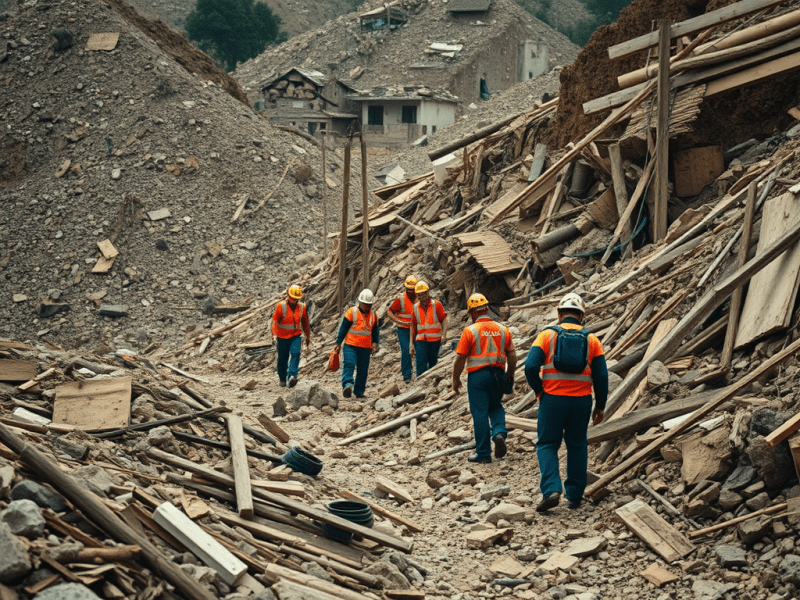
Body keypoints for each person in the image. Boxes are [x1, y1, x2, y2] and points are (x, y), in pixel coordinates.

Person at [525, 292, 608, 512]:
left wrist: (539, 390)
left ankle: (552, 489)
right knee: (577, 445)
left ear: (560, 314)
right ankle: (575, 495)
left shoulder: (546, 336)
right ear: (582, 316)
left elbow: (530, 367)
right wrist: (600, 406)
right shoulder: (592, 340)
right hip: (581, 402)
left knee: (547, 444)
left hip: (552, 400)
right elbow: (601, 377)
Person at [452, 294, 517, 464]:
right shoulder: (503, 329)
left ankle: (483, 453)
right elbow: (512, 354)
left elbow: (460, 359)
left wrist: (455, 379)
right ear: (487, 309)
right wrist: (510, 374)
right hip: (498, 374)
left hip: (478, 377)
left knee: (480, 412)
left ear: (472, 313)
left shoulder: (470, 331)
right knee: (495, 406)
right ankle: (499, 432)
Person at [334, 289, 380, 398]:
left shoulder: (374, 315)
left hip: (365, 347)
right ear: (360, 303)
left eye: (369, 305)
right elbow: (343, 328)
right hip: (351, 345)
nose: (367, 307)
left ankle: (359, 391)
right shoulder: (352, 312)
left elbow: (375, 332)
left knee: (363, 370)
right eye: (365, 304)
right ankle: (347, 385)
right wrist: (338, 343)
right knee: (349, 364)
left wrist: (375, 343)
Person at [270, 284, 311, 388]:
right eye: (292, 298)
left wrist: (307, 336)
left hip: (295, 335)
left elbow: (305, 323)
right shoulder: (281, 306)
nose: (294, 300)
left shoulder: (302, 307)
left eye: (296, 298)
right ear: (288, 295)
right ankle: (282, 378)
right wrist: (274, 334)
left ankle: (292, 375)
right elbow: (274, 321)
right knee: (282, 358)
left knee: (296, 353)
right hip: (282, 337)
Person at [409, 281, 448, 377]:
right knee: (420, 363)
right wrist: (411, 344)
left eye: (424, 294)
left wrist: (444, 334)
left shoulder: (436, 305)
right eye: (420, 295)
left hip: (435, 340)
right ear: (417, 295)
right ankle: (421, 384)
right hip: (421, 340)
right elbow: (413, 325)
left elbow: (444, 320)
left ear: (428, 293)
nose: (422, 297)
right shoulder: (415, 308)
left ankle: (431, 385)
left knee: (433, 364)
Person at [386, 275, 418, 383]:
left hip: (417, 329)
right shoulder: (401, 299)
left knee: (420, 350)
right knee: (406, 351)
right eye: (408, 289)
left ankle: (421, 372)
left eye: (412, 290)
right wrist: (398, 321)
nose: (410, 291)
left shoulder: (420, 298)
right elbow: (390, 311)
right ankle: (407, 374)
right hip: (404, 329)